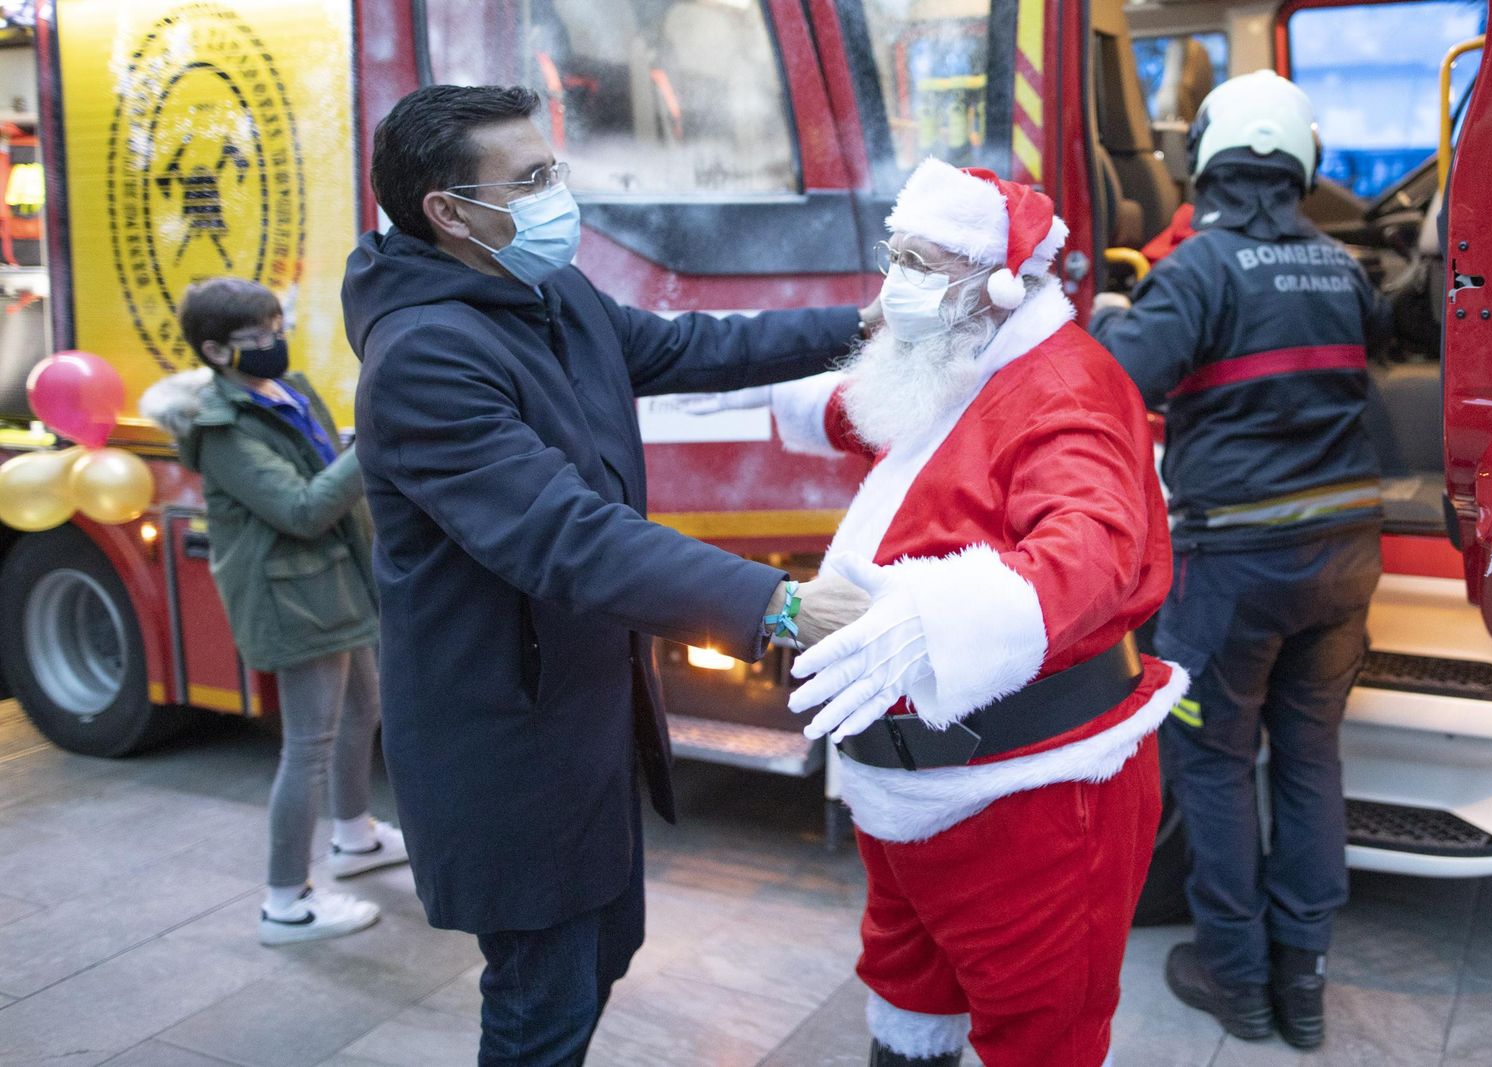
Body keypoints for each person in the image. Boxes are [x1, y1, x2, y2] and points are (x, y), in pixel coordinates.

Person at [340, 84, 872, 1066]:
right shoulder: (426, 359)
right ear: (447, 212)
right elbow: (569, 535)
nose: (558, 195)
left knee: (602, 953)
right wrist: (777, 601)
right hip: (505, 738)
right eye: (530, 178)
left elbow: (687, 346)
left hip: (584, 712)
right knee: (542, 1003)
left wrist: (866, 319)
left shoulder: (548, 293)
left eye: (556, 169)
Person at [689, 160, 1183, 1067]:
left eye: (921, 264)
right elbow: (869, 408)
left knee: (1039, 1034)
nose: (895, 287)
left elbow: (1095, 549)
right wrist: (721, 382)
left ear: (999, 281)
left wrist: (939, 619)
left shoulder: (1066, 386)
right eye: (895, 258)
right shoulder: (962, 351)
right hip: (907, 793)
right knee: (909, 1004)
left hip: (1031, 792)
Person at [1088, 71, 1388, 1050]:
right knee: (1310, 759)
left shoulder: (1201, 268)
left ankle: (1233, 977)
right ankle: (1301, 984)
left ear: (1206, 158)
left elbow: (1125, 378)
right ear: (1303, 162)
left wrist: (1104, 320)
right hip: (1344, 564)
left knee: (1214, 765)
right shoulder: (1345, 269)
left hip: (1234, 571)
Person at [140, 277, 408, 947]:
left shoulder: (288, 391)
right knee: (308, 745)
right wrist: (369, 446)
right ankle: (286, 902)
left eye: (274, 325)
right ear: (215, 350)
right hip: (292, 599)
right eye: (255, 336)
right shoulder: (223, 430)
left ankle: (355, 836)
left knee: (360, 711)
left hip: (335, 584)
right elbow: (303, 509)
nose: (273, 342)